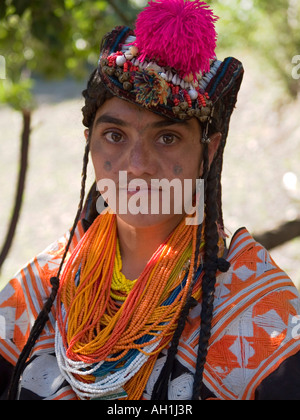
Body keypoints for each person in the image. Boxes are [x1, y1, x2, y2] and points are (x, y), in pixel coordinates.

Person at [1, 0, 300, 401]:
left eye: (168, 138)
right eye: (115, 135)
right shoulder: (44, 286)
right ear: (89, 141)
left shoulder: (263, 318)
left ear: (207, 153)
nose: (137, 166)